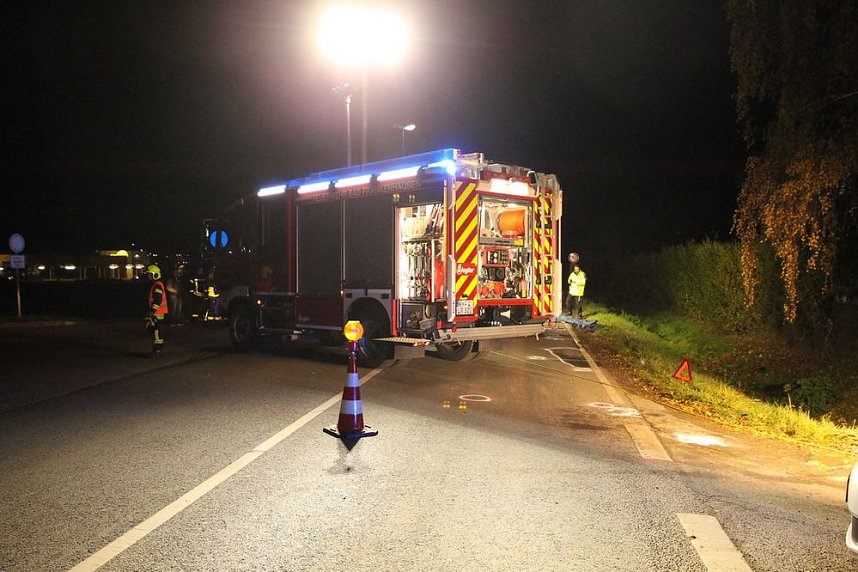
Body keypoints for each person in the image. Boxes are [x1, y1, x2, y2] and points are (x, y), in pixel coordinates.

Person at [146, 265, 169, 355]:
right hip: (156, 312)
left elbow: (158, 300)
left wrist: (152, 311)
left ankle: (158, 348)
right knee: (153, 329)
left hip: (157, 312)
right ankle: (158, 347)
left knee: (155, 330)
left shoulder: (157, 285)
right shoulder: (156, 285)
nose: (148, 276)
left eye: (150, 275)